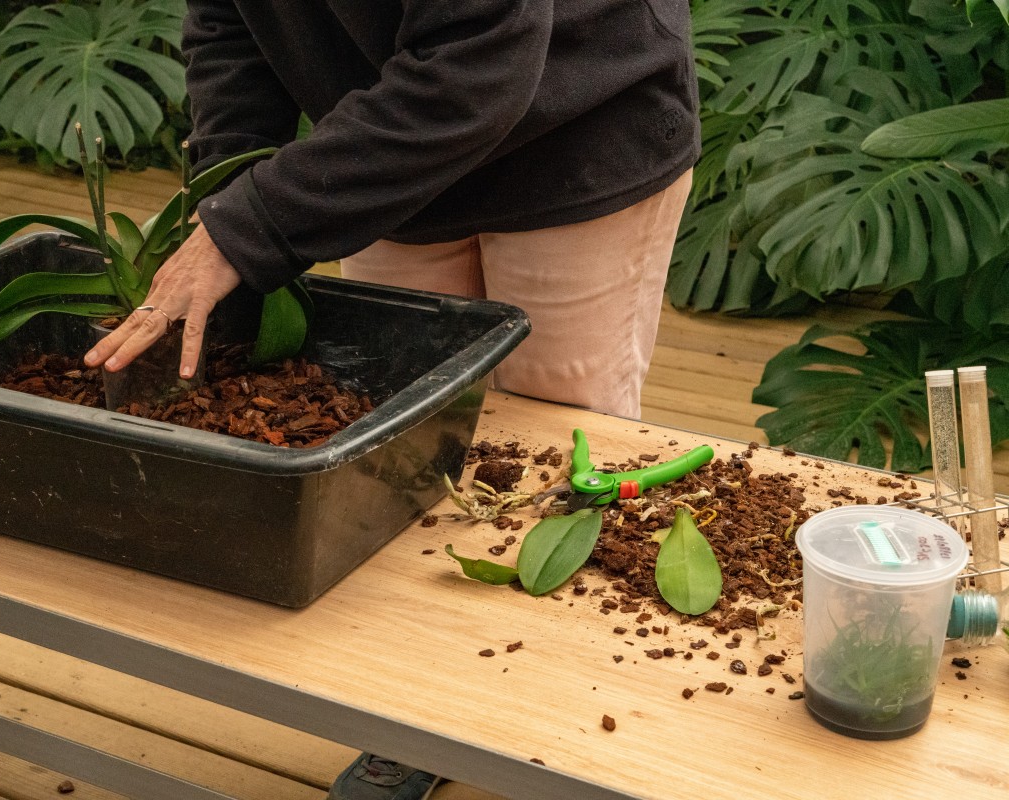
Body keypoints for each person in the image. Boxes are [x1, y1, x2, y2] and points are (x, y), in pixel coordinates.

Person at [85, 1, 698, 798]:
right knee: (400, 464)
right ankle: (422, 715)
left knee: (558, 470)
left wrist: (250, 225)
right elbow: (235, 22)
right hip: (393, 147)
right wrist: (232, 192)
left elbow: (486, 55)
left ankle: (563, 730)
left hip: (576, 134)